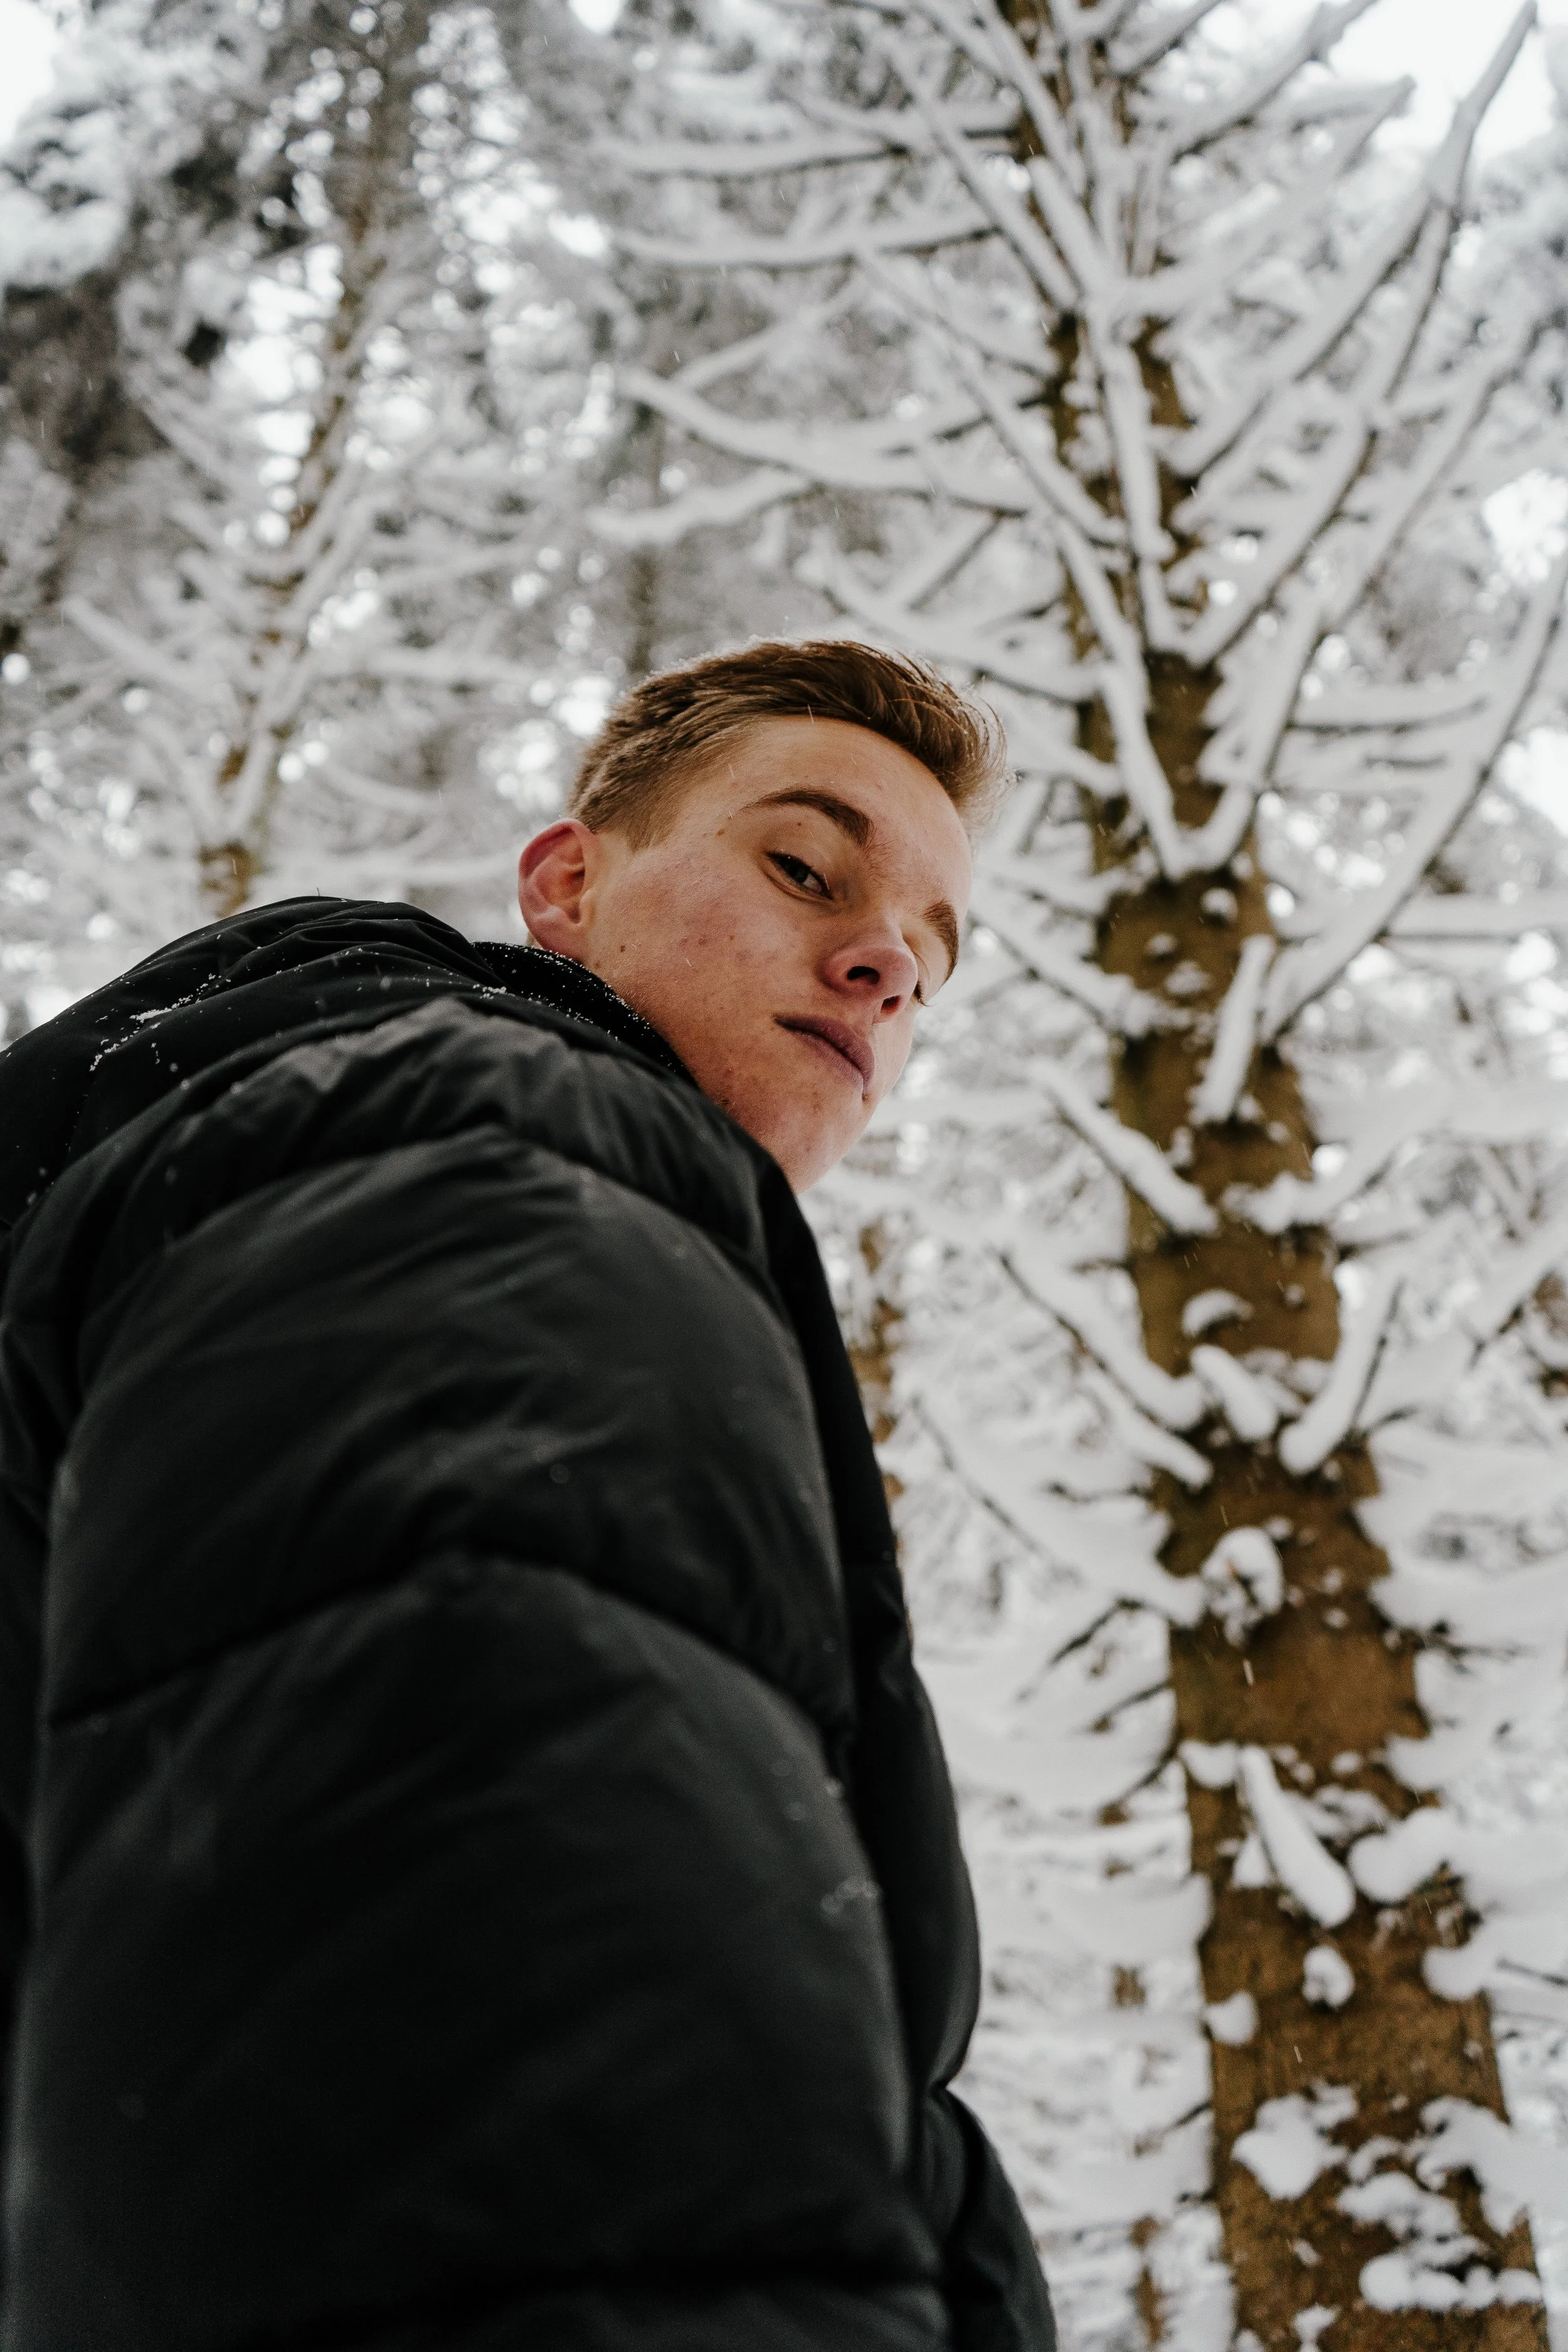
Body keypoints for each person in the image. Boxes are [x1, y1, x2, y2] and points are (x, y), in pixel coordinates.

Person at [0, 640, 1055, 2352]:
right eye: (806, 868)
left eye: (928, 963)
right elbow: (494, 2023)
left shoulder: (409, 1162)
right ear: (568, 887)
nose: (881, 966)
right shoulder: (494, 1141)